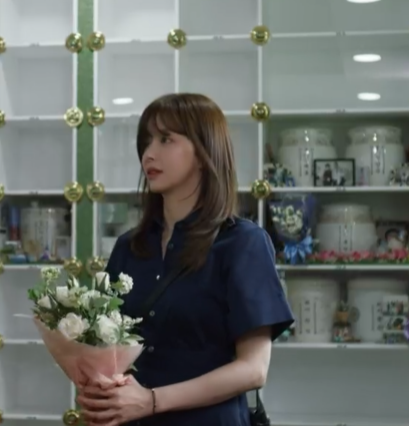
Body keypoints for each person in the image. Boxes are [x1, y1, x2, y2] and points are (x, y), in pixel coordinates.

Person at [77, 93, 294, 426]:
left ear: (205, 152)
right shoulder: (129, 247)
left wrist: (151, 401)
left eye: (166, 139)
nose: (149, 153)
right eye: (146, 141)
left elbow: (253, 369)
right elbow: (106, 348)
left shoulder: (242, 244)